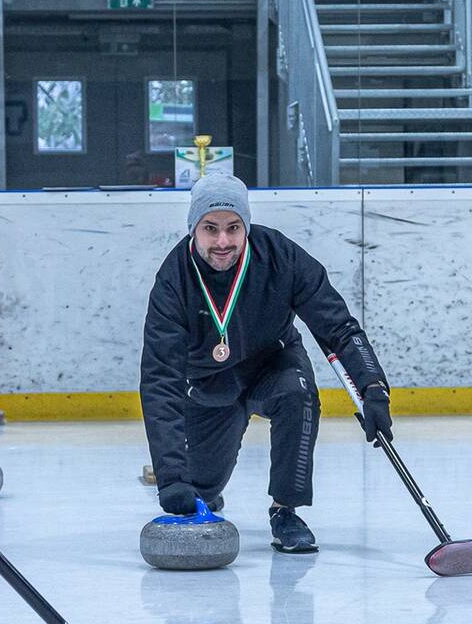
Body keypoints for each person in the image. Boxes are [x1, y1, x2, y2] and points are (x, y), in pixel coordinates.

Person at [139, 172, 392, 554]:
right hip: (209, 386)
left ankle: (285, 510)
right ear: (194, 229)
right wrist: (172, 478)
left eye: (233, 228)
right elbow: (161, 382)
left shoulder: (280, 257)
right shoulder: (174, 280)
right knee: (198, 488)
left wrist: (372, 386)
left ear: (246, 226)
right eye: (211, 229)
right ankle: (204, 486)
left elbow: (337, 326)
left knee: (299, 394)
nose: (223, 241)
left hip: (272, 365)